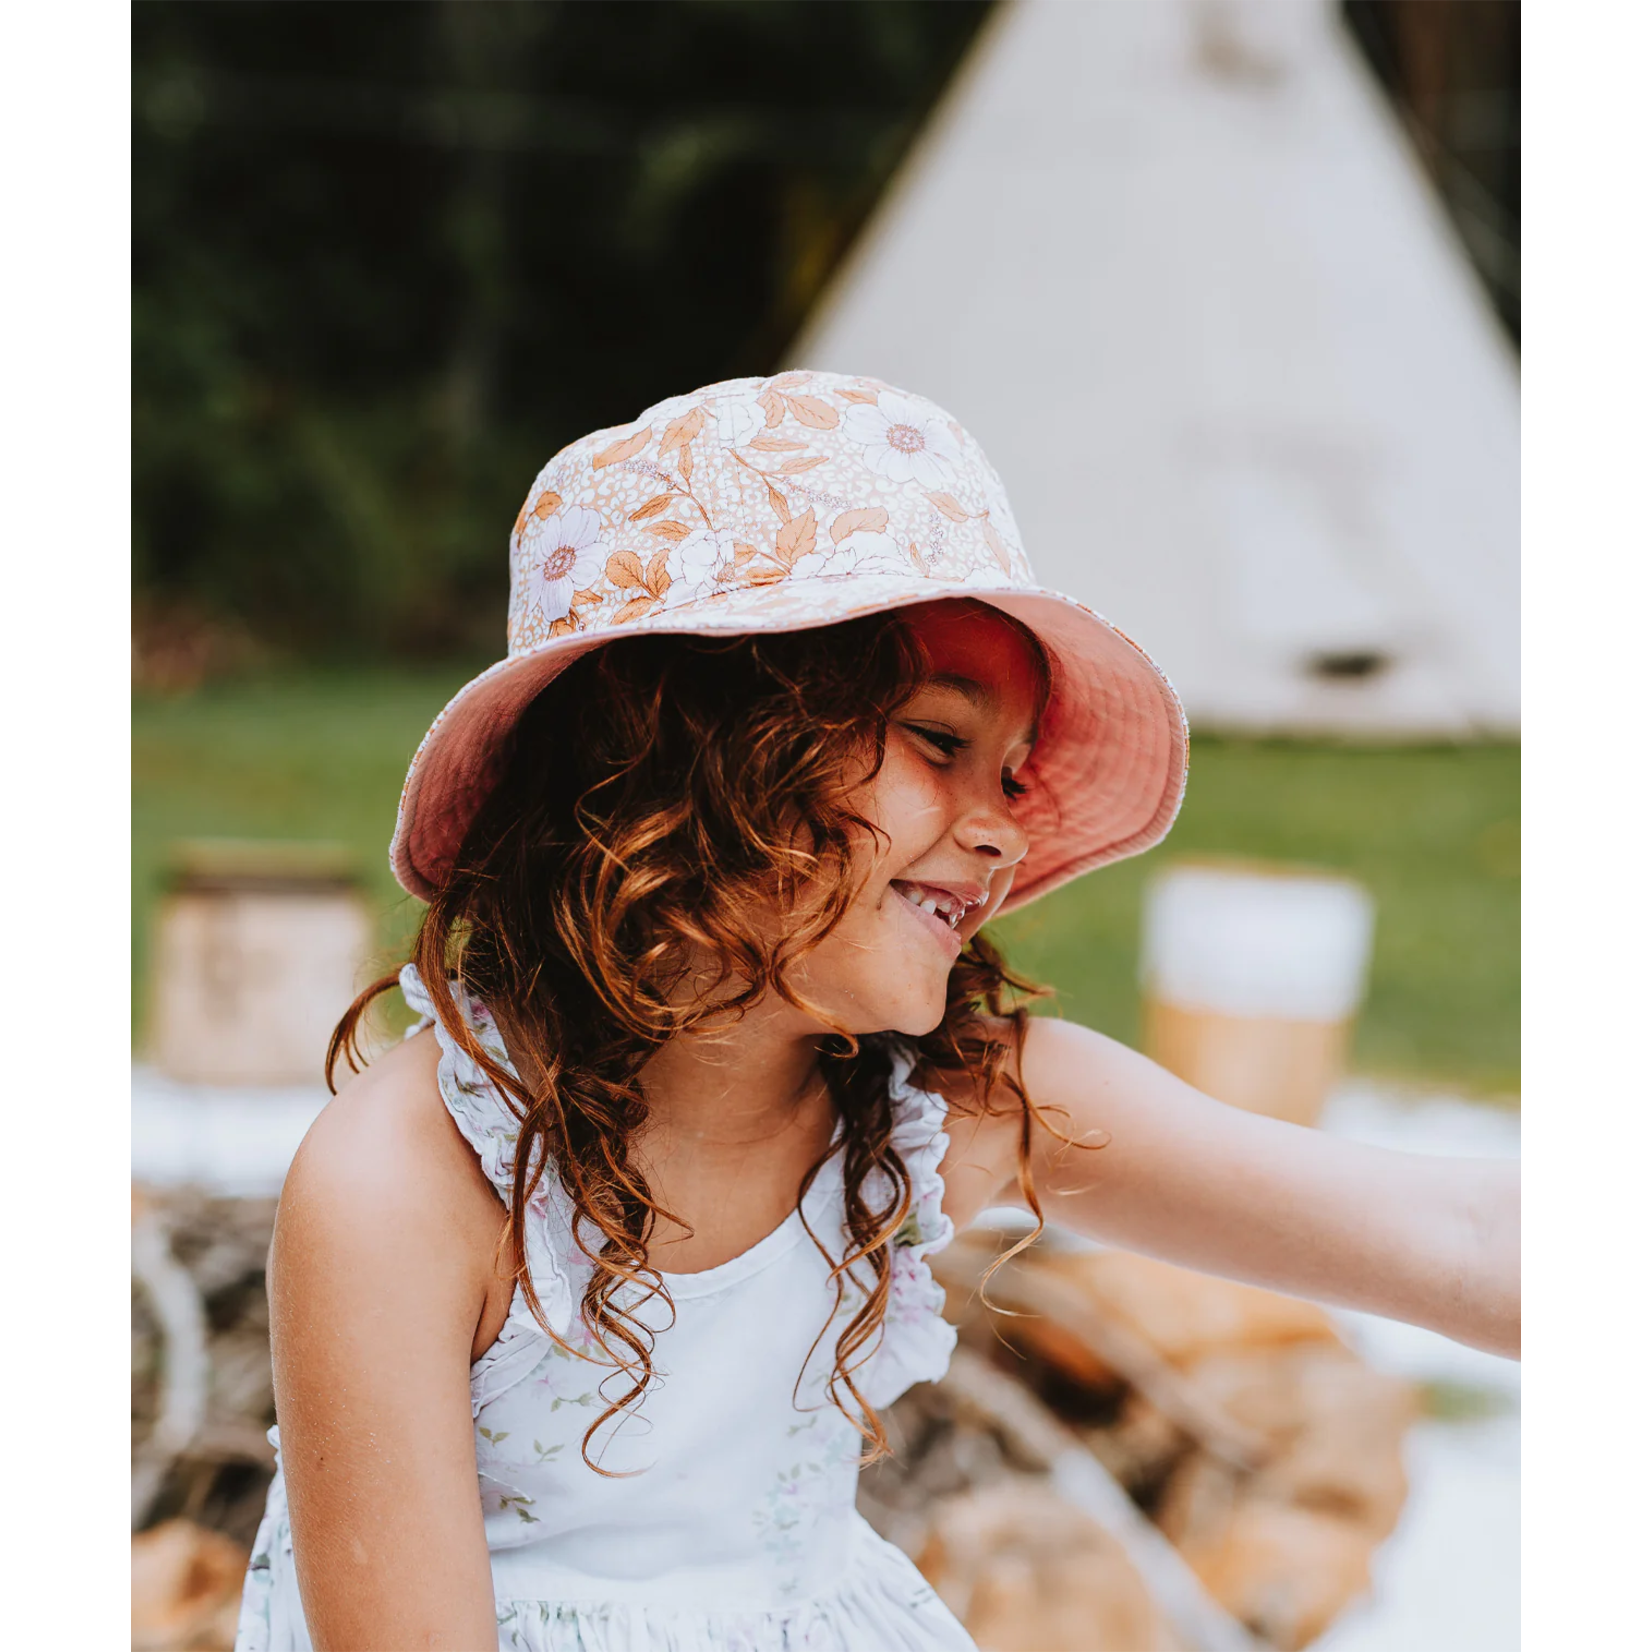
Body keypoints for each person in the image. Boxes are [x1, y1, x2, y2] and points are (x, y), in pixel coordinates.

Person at [236, 371, 1520, 1652]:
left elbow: (1449, 1236)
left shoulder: (950, 1106)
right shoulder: (404, 1187)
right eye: (936, 741)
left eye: (1013, 772)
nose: (1003, 828)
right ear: (682, 757)